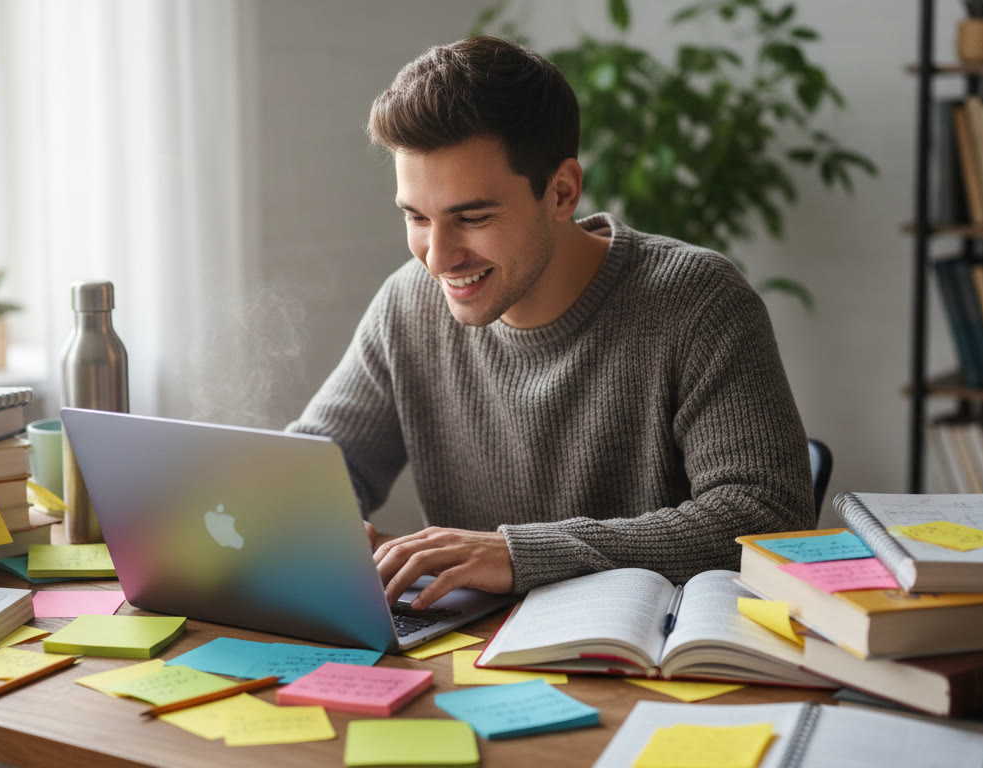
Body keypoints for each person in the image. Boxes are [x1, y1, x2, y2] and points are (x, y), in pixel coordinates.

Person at [288, 36, 813, 611]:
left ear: (562, 190)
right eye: (417, 217)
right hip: (466, 658)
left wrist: (520, 555)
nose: (438, 257)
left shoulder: (696, 300)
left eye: (473, 217)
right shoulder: (408, 305)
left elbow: (769, 517)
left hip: (648, 671)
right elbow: (313, 470)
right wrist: (298, 519)